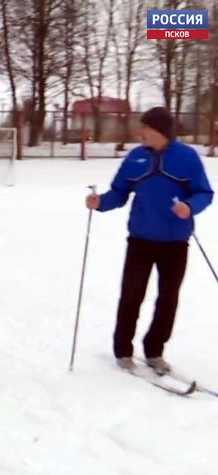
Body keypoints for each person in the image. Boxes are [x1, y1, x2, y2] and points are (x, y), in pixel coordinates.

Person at [86, 107, 213, 375]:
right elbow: (119, 192)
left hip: (176, 242)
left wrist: (189, 207)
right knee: (131, 295)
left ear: (160, 131)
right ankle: (123, 350)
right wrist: (100, 203)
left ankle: (154, 351)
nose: (139, 132)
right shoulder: (135, 157)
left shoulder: (186, 157)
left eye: (144, 127)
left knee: (168, 299)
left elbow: (204, 192)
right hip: (141, 240)